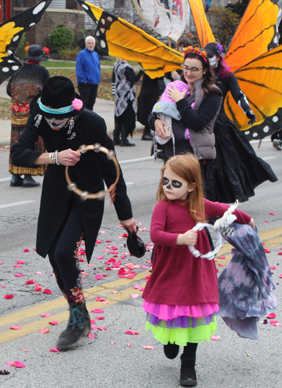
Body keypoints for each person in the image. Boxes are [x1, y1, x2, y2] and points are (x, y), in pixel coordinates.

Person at [11, 76, 137, 351]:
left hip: (86, 196)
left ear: (73, 110)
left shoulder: (92, 122)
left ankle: (77, 319)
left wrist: (124, 213)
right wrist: (54, 157)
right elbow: (18, 153)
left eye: (58, 120)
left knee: (63, 252)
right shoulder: (39, 115)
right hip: (56, 193)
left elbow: (111, 169)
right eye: (49, 119)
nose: (52, 125)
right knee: (54, 257)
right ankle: (79, 311)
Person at [143, 154, 255, 387]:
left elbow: (226, 210)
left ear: (192, 186)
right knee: (171, 307)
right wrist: (181, 238)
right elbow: (155, 235)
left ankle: (189, 362)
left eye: (176, 183)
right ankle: (172, 341)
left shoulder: (199, 205)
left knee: (194, 314)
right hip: (170, 270)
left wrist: (248, 219)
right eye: (166, 181)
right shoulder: (162, 207)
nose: (169, 187)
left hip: (196, 273)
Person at [202, 42, 277, 202]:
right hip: (201, 122)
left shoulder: (226, 76)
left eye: (210, 55)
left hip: (220, 125)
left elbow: (238, 95)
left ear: (218, 57)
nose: (208, 58)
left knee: (226, 161)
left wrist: (248, 112)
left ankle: (221, 198)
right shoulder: (200, 74)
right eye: (205, 55)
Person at [149, 46, 222, 168]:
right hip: (171, 152)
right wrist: (155, 121)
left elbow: (197, 123)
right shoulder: (177, 86)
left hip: (193, 156)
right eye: (186, 68)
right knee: (170, 187)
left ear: (204, 70)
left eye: (194, 69)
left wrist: (180, 100)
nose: (188, 73)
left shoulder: (212, 93)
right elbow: (157, 110)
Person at [6, 44, 50, 187]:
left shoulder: (18, 70)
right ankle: (28, 176)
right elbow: (47, 92)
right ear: (39, 58)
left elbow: (8, 90)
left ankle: (16, 175)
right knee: (31, 142)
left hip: (16, 112)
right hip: (32, 113)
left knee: (17, 142)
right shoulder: (42, 71)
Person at [112, 59, 143, 146]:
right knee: (126, 116)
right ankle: (124, 138)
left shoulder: (116, 64)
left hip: (119, 94)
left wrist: (114, 92)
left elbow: (113, 79)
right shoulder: (126, 67)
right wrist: (142, 71)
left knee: (118, 116)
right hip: (126, 95)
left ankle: (116, 137)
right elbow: (133, 80)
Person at [76, 36, 101, 111]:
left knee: (91, 103)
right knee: (85, 103)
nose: (90, 44)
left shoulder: (96, 54)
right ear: (85, 44)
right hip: (85, 84)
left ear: (94, 44)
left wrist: (98, 78)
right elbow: (79, 69)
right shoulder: (81, 54)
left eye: (92, 43)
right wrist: (84, 80)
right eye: (89, 43)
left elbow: (98, 67)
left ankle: (90, 120)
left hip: (94, 83)